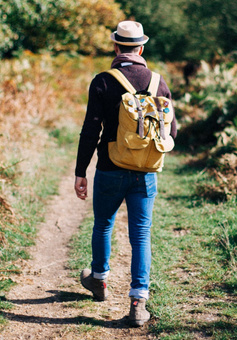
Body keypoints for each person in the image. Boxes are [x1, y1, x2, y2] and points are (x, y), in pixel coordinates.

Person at [74, 20, 177, 327]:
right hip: (145, 172)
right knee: (141, 235)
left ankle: (99, 281)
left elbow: (90, 129)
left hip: (109, 167)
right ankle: (138, 303)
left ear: (116, 47)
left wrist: (81, 171)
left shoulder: (103, 81)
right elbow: (171, 130)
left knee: (103, 224)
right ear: (141, 48)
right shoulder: (159, 82)